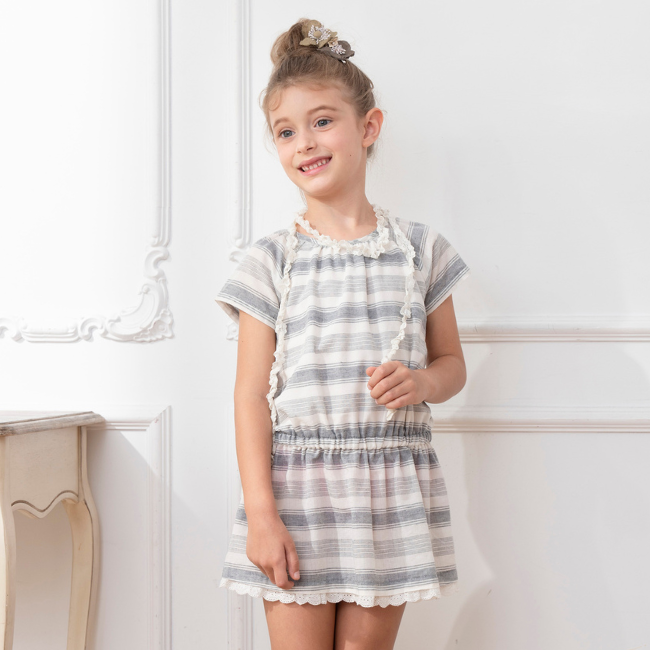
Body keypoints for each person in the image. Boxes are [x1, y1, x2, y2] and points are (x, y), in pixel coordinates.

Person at [215, 18, 471, 650]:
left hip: (389, 495)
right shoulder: (270, 260)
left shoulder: (420, 250)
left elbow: (452, 364)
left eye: (322, 121)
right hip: (295, 494)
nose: (304, 142)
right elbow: (250, 396)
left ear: (368, 127)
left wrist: (423, 383)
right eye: (285, 131)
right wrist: (261, 513)